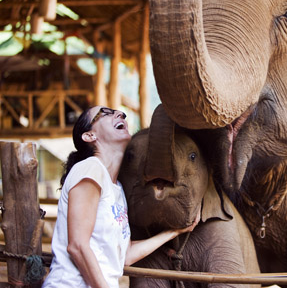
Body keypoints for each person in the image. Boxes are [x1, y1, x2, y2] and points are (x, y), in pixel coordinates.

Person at [43, 106, 200, 288]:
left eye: (120, 113)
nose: (119, 114)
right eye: (106, 113)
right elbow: (77, 245)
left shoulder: (117, 190)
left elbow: (125, 256)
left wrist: (173, 232)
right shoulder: (90, 168)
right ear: (89, 136)